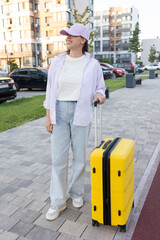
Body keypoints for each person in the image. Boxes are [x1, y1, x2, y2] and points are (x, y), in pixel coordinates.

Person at [43, 23, 106, 221]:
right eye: (66, 35)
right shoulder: (58, 62)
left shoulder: (93, 64)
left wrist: (99, 95)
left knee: (79, 157)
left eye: (72, 35)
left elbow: (100, 88)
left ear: (83, 40)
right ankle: (58, 201)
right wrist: (48, 116)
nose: (67, 37)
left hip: (81, 112)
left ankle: (77, 193)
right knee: (58, 160)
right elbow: (50, 89)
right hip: (59, 112)